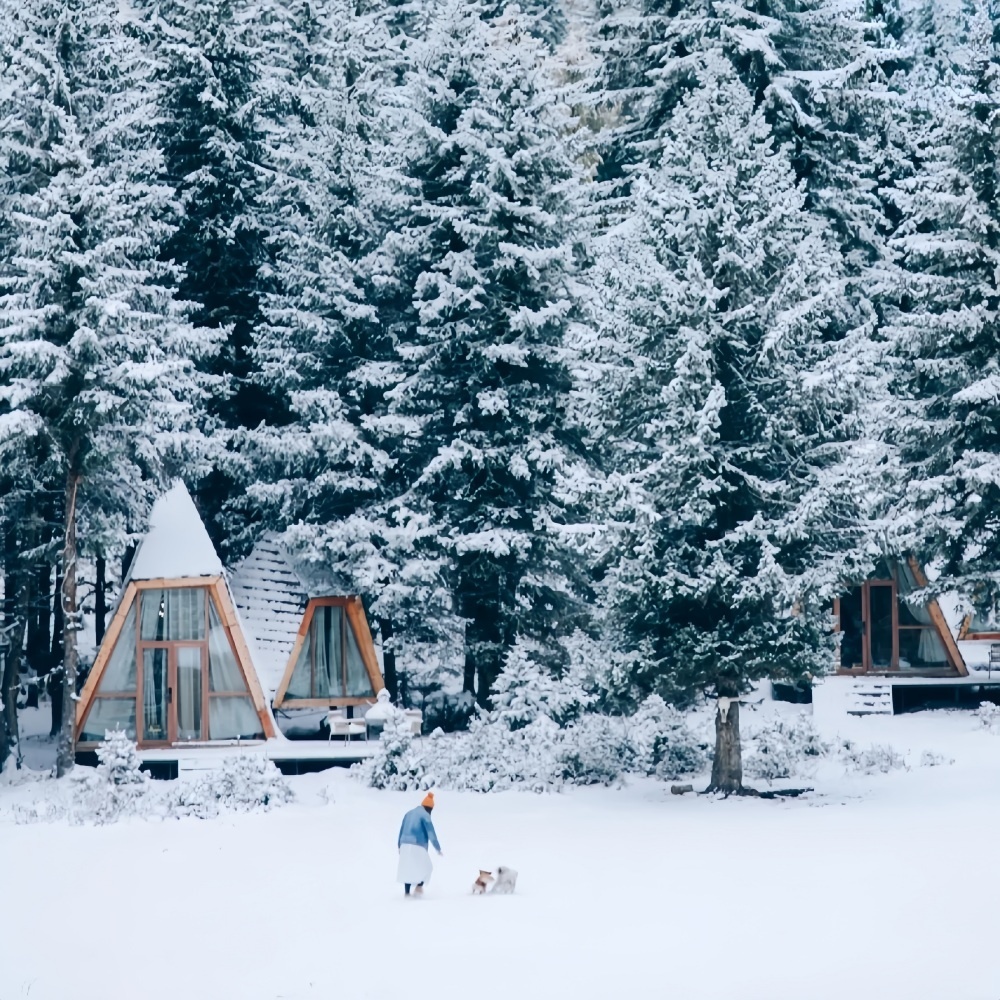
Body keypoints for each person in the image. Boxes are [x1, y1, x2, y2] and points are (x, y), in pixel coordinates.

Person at [397, 792, 442, 897]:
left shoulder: (408, 813)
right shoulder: (425, 816)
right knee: (427, 867)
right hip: (417, 844)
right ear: (430, 808)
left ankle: (407, 893)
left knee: (407, 868)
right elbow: (431, 833)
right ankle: (419, 887)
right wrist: (438, 848)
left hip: (404, 844)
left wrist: (399, 845)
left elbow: (401, 829)